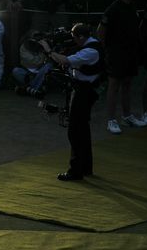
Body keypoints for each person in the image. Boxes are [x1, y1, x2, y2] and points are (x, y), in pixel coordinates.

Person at [41, 23, 102, 181]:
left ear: (81, 37)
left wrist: (48, 50)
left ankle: (75, 171)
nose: (73, 40)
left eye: (74, 37)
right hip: (83, 89)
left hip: (85, 91)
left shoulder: (91, 51)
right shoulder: (91, 46)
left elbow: (66, 61)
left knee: (75, 131)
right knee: (83, 130)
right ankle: (86, 167)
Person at [98, 0, 147, 133]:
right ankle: (111, 120)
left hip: (130, 52)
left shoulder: (132, 7)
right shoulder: (112, 9)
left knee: (127, 84)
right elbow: (101, 31)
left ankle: (127, 116)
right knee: (114, 86)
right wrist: (107, 49)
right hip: (116, 53)